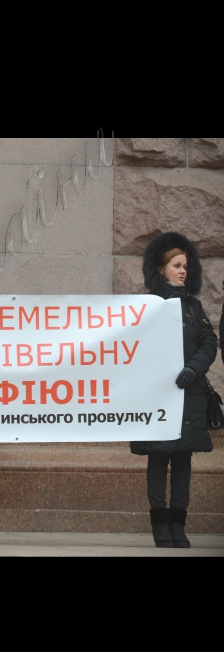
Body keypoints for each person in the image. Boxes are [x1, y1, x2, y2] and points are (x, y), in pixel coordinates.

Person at [130, 233, 217, 549]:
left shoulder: (193, 306)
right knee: (157, 457)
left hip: (188, 394)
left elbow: (208, 342)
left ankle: (178, 525)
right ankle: (160, 526)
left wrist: (194, 367)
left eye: (186, 266)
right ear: (161, 268)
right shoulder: (142, 306)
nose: (183, 271)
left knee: (182, 459)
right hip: (156, 395)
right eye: (176, 265)